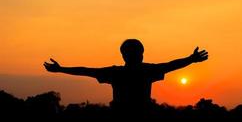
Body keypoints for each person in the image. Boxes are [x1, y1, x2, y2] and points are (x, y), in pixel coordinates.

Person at [44, 39, 208, 112]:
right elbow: (171, 65)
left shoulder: (116, 73)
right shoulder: (146, 71)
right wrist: (191, 59)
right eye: (139, 52)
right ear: (140, 54)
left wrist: (61, 69)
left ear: (123, 55)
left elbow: (86, 70)